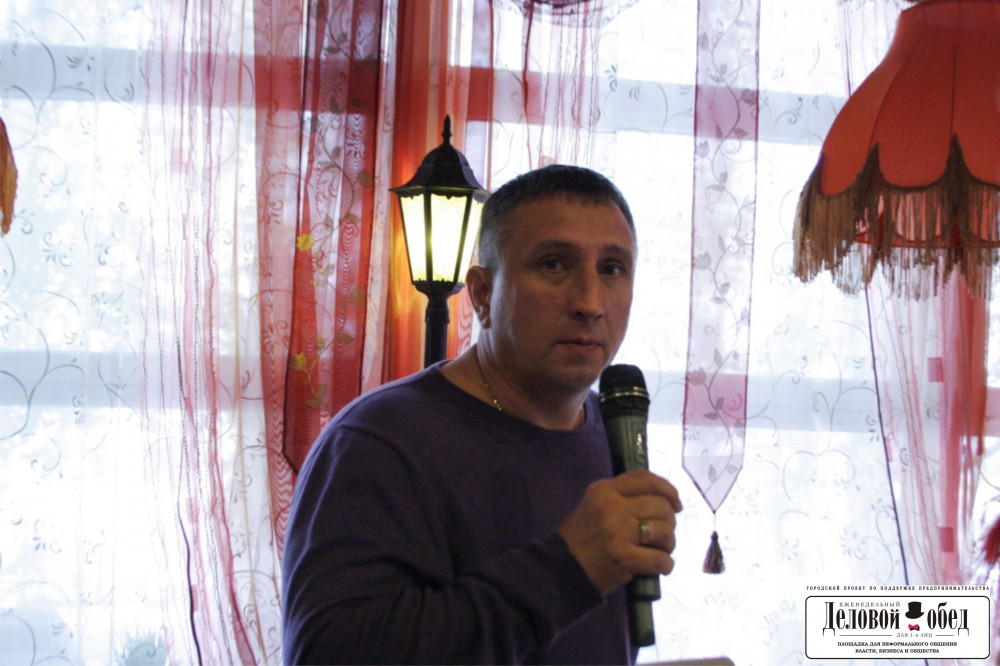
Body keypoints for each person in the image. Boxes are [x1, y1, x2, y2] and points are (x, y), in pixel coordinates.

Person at [281, 164, 683, 665]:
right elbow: (328, 655)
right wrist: (569, 568)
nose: (589, 302)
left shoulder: (612, 431)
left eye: (612, 269)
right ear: (482, 294)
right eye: (553, 264)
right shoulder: (378, 441)